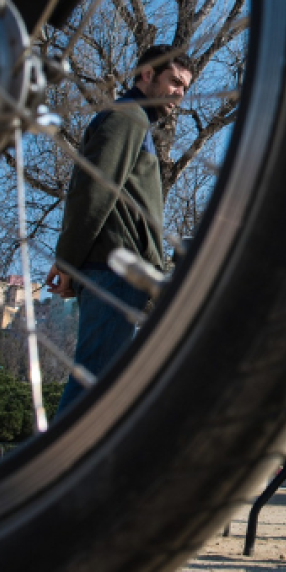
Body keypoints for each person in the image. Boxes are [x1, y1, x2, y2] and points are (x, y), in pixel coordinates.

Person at [47, 45, 193, 414]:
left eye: (185, 87)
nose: (180, 93)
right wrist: (66, 262)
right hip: (114, 273)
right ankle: (55, 470)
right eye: (174, 82)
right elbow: (93, 191)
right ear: (146, 75)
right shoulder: (128, 118)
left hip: (118, 274)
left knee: (101, 387)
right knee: (93, 388)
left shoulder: (135, 122)